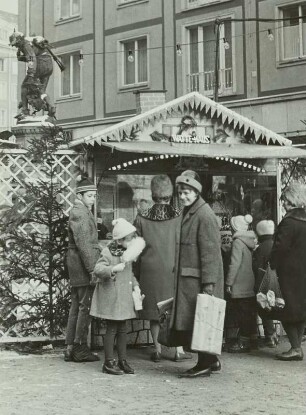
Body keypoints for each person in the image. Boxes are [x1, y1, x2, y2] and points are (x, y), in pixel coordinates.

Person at [172, 170, 224, 378]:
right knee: (198, 320)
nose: (183, 196)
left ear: (196, 191)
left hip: (198, 281)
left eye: (187, 192)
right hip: (190, 279)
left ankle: (205, 363)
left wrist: (209, 284)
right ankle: (211, 361)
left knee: (201, 320)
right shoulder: (193, 211)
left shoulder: (204, 215)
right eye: (181, 193)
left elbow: (211, 253)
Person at [134, 175, 191, 362]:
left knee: (154, 313)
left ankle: (157, 349)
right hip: (173, 269)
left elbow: (135, 247)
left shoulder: (141, 217)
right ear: (170, 193)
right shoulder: (180, 215)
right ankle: (177, 351)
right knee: (174, 310)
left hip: (150, 270)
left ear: (153, 193)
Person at [90, 218, 141, 375]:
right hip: (112, 297)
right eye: (129, 239)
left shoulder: (128, 253)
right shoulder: (107, 252)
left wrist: (137, 286)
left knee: (123, 329)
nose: (132, 242)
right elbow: (98, 269)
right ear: (120, 240)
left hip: (123, 297)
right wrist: (112, 269)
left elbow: (130, 273)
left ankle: (122, 360)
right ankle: (109, 362)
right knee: (112, 329)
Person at [65, 176, 101, 362]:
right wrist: (92, 269)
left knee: (76, 307)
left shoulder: (80, 211)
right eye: (89, 195)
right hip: (81, 265)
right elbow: (85, 245)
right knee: (84, 307)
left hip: (76, 264)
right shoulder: (80, 213)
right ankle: (80, 348)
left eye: (94, 195)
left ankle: (70, 347)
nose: (93, 199)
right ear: (79, 195)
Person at [270, 181, 306, 361]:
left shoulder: (288, 222)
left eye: (284, 200)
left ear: (291, 200)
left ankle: (295, 348)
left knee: (284, 307)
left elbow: (280, 248)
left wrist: (272, 263)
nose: (283, 203)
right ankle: (297, 346)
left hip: (289, 273)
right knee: (300, 310)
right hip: (303, 272)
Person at [225, 214, 258, 353]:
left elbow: (235, 264)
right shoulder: (249, 240)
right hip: (249, 281)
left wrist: (228, 282)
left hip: (239, 282)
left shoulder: (238, 242)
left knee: (242, 313)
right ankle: (253, 339)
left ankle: (243, 343)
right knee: (249, 312)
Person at [9, 31, 60, 119]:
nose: (15, 46)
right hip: (48, 65)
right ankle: (51, 107)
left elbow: (32, 59)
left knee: (24, 86)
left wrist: (31, 74)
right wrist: (21, 57)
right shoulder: (31, 43)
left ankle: (25, 111)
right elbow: (33, 55)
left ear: (19, 40)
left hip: (40, 64)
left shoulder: (25, 44)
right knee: (41, 90)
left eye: (16, 44)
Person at [253, 219, 278, 348]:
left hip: (263, 284)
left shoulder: (259, 249)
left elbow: (256, 267)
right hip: (278, 283)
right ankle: (276, 335)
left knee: (264, 308)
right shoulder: (276, 245)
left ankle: (270, 335)